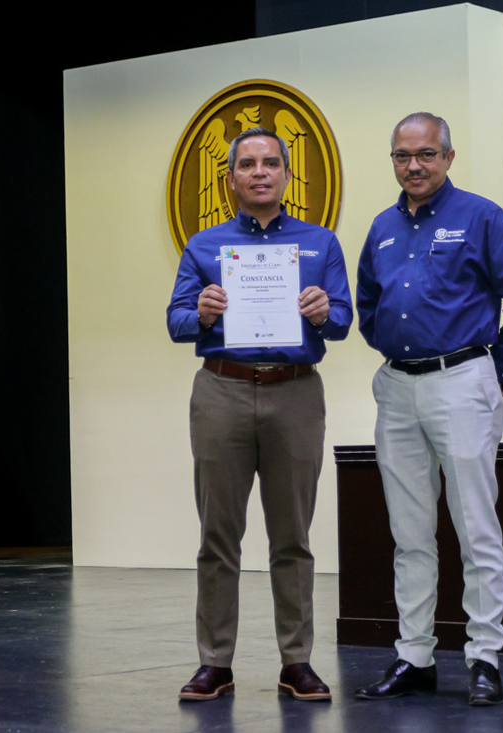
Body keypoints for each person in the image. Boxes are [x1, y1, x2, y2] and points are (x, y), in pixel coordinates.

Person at [353, 112, 503, 706]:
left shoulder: (481, 217)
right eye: (402, 156)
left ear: (448, 157)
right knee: (409, 534)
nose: (413, 166)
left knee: (474, 526)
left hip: (461, 381)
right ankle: (415, 656)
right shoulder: (382, 227)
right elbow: (368, 307)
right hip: (397, 388)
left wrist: (490, 369)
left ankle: (484, 656)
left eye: (426, 154)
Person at [166, 126, 352, 702]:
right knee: (218, 535)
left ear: (288, 175)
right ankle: (214, 662)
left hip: (295, 394)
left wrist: (323, 312)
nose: (260, 172)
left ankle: (297, 661)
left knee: (292, 536)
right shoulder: (204, 246)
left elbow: (344, 321)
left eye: (271, 162)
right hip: (221, 391)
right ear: (230, 180)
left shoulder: (320, 243)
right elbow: (175, 322)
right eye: (247, 164)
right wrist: (200, 312)